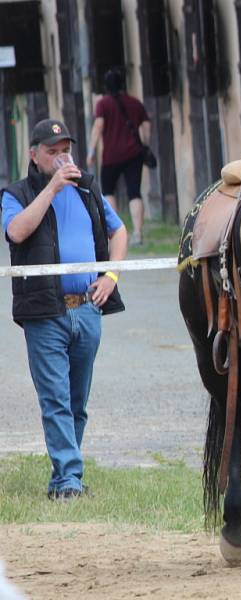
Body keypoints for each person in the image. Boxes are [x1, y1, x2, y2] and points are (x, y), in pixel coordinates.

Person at [1, 118, 127, 499]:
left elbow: (118, 232)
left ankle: (63, 475)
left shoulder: (87, 187)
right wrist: (53, 188)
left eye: (65, 151)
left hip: (86, 309)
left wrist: (111, 277)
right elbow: (17, 231)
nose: (61, 159)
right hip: (44, 312)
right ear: (34, 154)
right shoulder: (17, 194)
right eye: (52, 152)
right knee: (54, 398)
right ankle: (71, 478)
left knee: (76, 402)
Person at [87, 68, 151, 246]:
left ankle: (115, 232)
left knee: (108, 192)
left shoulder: (103, 104)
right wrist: (145, 144)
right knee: (134, 192)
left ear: (106, 86)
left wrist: (91, 151)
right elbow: (146, 126)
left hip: (111, 156)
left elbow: (98, 126)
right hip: (134, 155)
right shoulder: (135, 103)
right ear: (123, 84)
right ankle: (138, 234)